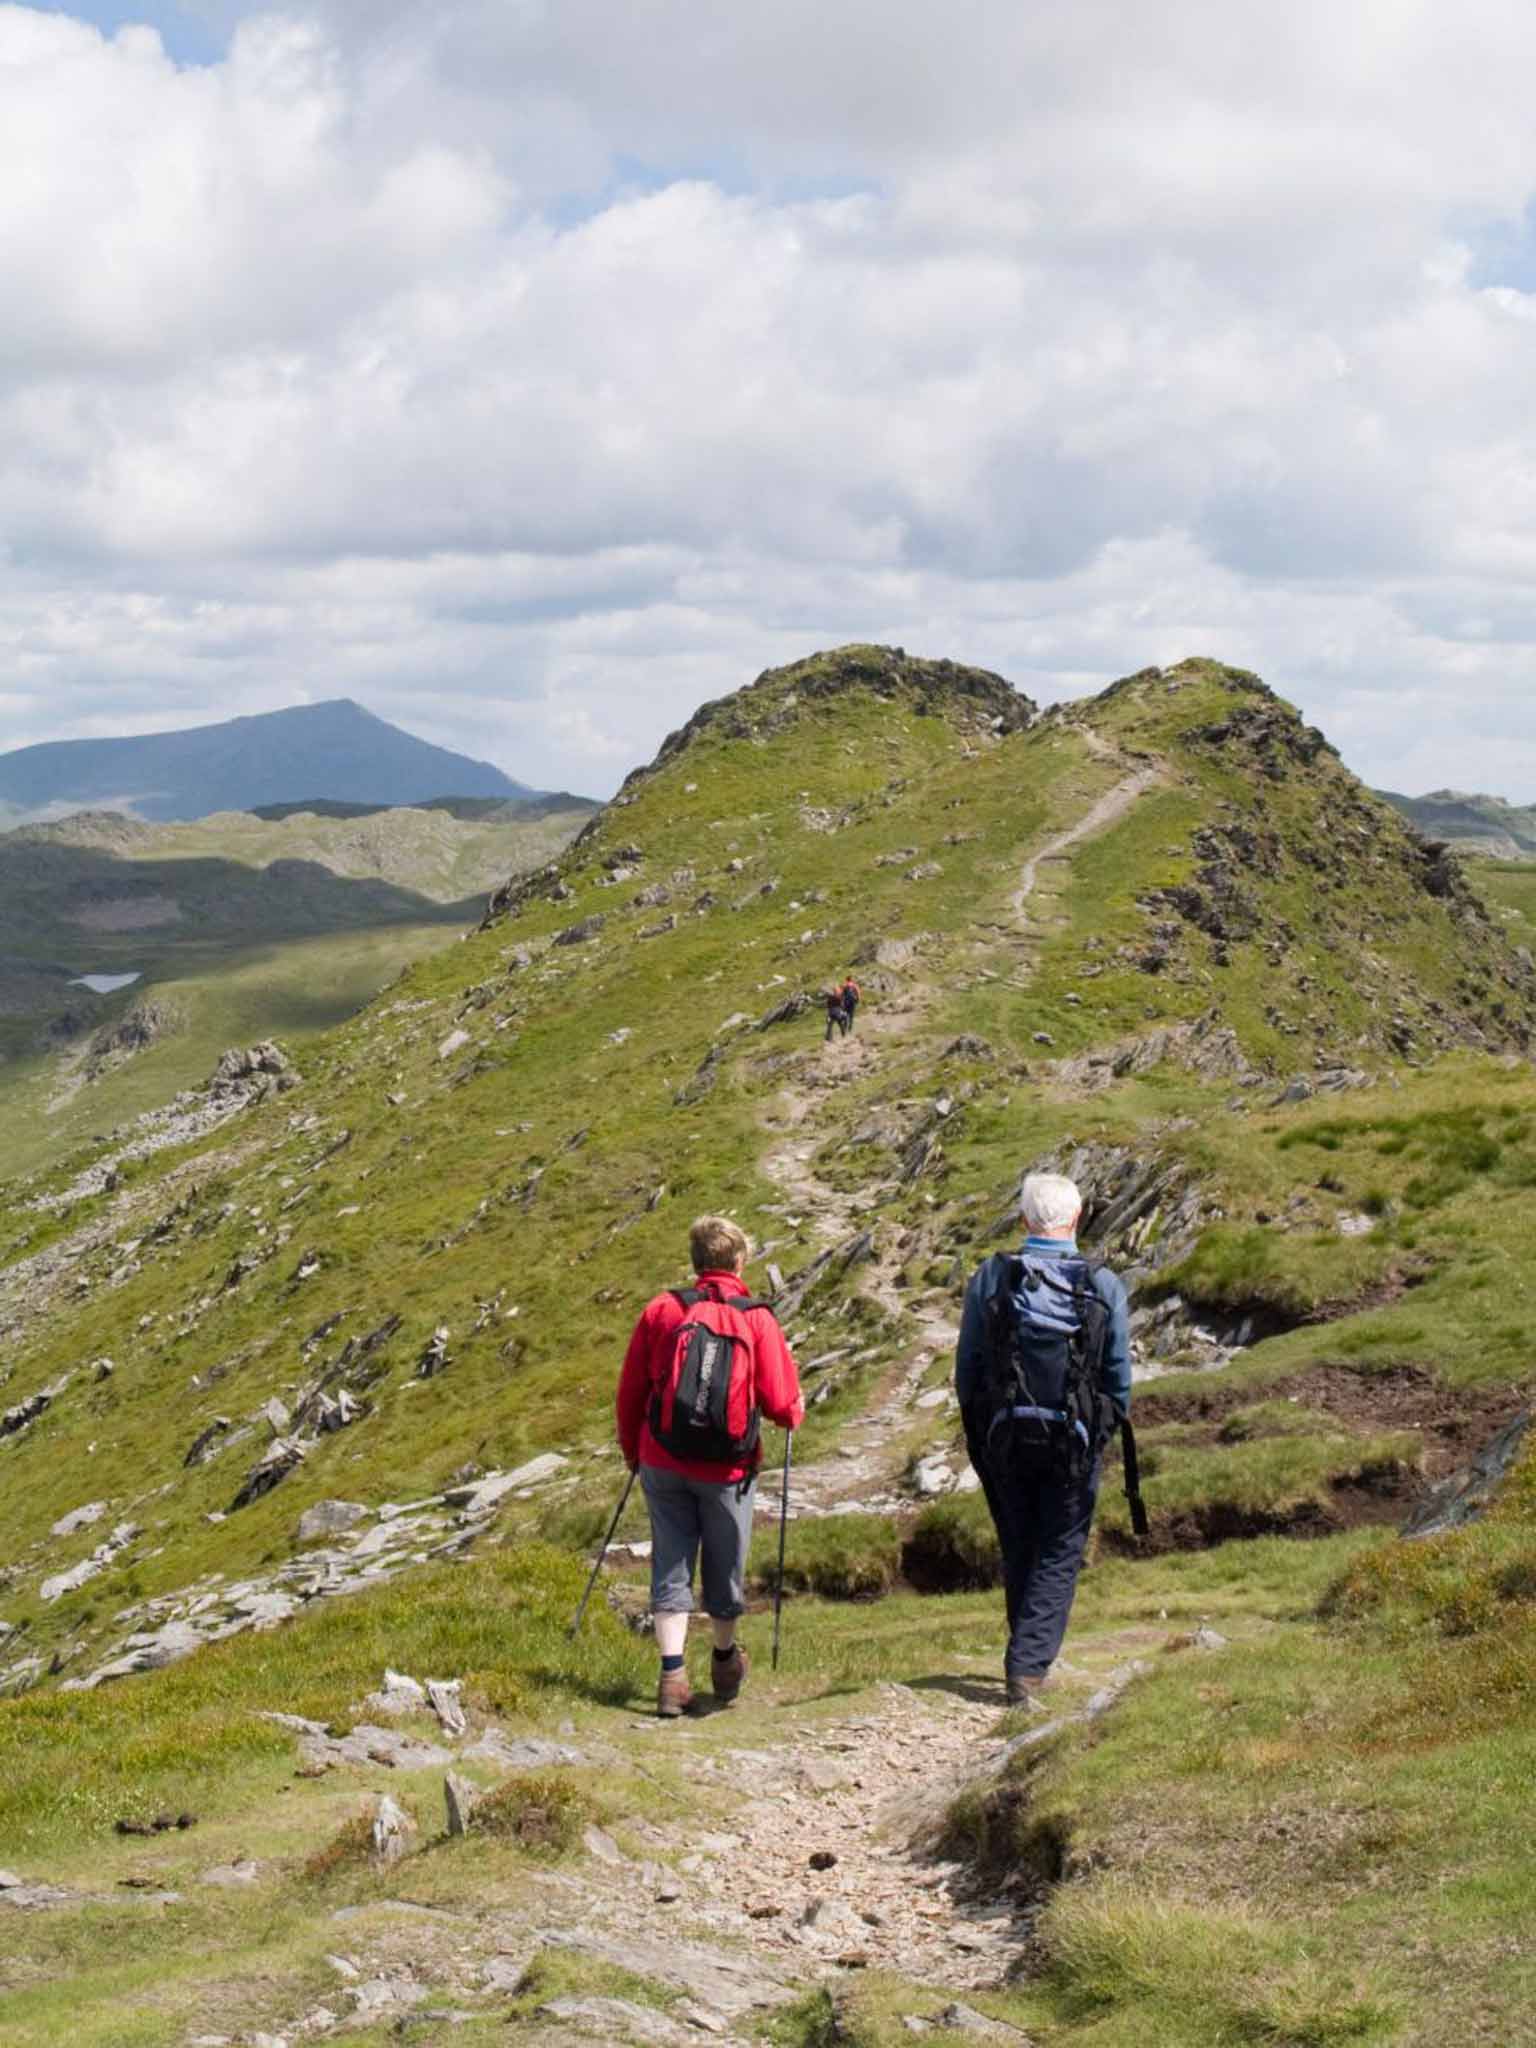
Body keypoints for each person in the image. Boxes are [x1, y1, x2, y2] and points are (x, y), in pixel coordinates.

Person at [954, 1171, 1132, 1706]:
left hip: (1004, 1437)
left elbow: (968, 1369)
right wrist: (1097, 1432)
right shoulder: (1103, 1284)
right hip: (1072, 1444)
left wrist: (981, 1436)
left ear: (1025, 1220)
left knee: (1021, 1543)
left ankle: (1025, 1656)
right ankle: (1027, 1668)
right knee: (1058, 1549)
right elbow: (1117, 1377)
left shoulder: (992, 1276)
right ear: (1076, 1219)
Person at [616, 1215, 804, 1717]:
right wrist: (793, 1411)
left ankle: (672, 1675)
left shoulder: (662, 1310)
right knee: (726, 1562)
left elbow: (632, 1389)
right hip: (728, 1468)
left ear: (696, 1261)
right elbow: (781, 1402)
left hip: (663, 1457)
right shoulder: (756, 1318)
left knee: (671, 1560)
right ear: (739, 1261)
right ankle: (724, 1661)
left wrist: (633, 1451)